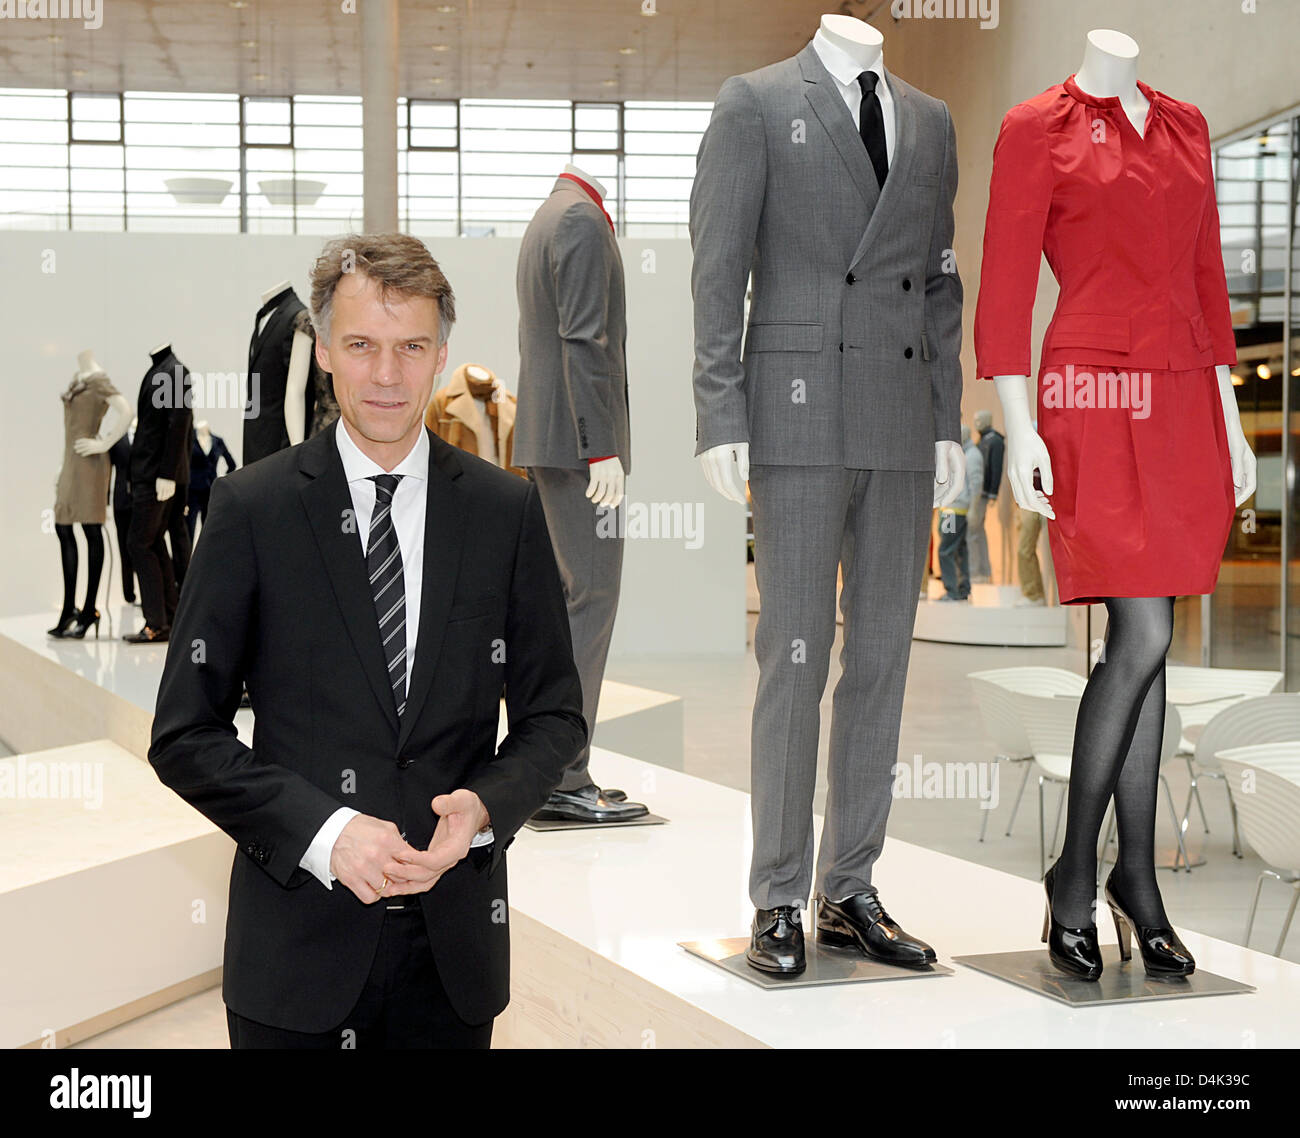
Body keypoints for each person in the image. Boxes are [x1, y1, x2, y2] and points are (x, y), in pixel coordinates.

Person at [148, 232, 587, 1048]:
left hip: (452, 964)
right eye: (361, 346)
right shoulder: (253, 511)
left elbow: (554, 717)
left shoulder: (505, 513)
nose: (387, 375)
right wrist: (326, 833)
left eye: (411, 347)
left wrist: (485, 810)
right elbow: (184, 735)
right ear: (323, 352)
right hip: (294, 962)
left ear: (442, 352)